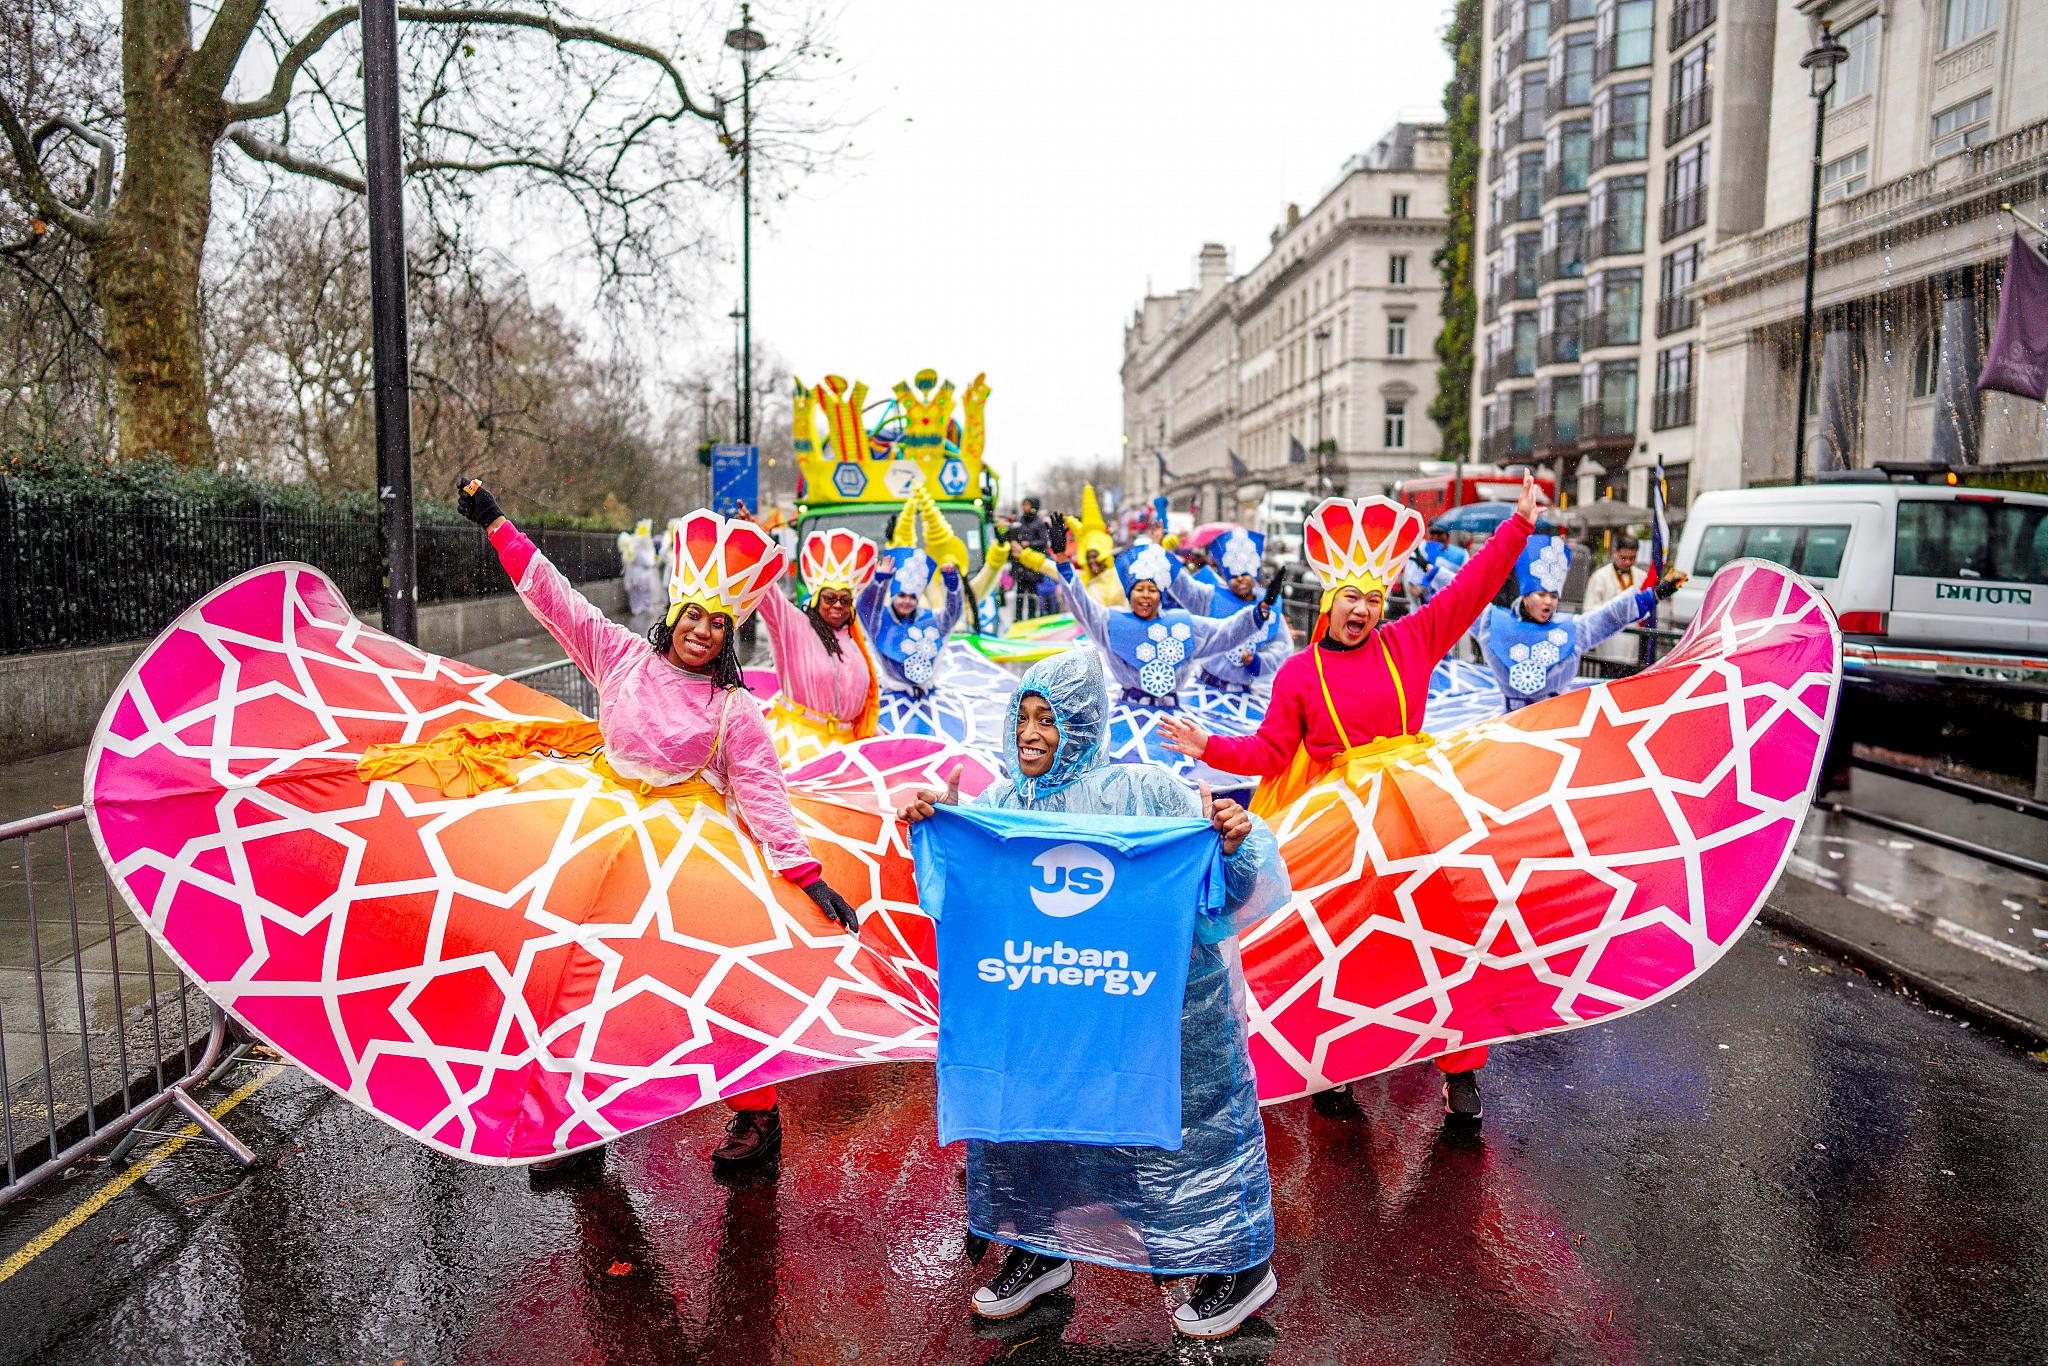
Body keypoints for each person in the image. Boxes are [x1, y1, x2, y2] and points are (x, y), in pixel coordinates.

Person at [456, 479, 861, 1168]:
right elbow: (554, 598)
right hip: (596, 836)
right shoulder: (619, 656)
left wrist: (807, 876)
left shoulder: (734, 708)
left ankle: (758, 1119)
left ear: (730, 635)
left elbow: (763, 793)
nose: (703, 630)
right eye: (694, 615)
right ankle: (577, 1123)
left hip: (680, 859)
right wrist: (497, 524)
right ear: (675, 613)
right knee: (575, 980)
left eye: (718, 623)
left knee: (709, 985)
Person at [897, 647, 1292, 1340]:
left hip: (1163, 1010)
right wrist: (946, 832)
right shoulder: (1001, 805)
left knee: (1190, 1130)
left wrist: (1233, 846)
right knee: (1031, 1118)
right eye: (1022, 716)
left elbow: (1226, 893)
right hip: (1054, 1006)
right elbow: (965, 901)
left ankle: (1238, 1264)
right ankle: (1036, 1245)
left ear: (1081, 725)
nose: (1030, 734)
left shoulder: (1148, 793)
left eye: (1049, 719)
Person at [1157, 478, 1542, 1120]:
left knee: (1442, 937)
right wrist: (1209, 747)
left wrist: (1520, 525)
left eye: (1373, 598)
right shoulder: (1300, 673)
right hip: (1344, 828)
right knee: (1344, 939)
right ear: (1330, 601)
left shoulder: (1412, 640)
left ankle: (1461, 1067)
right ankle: (1335, 1062)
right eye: (1351, 598)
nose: (1362, 609)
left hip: (1415, 818)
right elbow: (1271, 753)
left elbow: (1473, 589)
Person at [1477, 535, 1684, 711]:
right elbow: (1465, 599)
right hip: (1508, 725)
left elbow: (1609, 616)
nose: (1548, 601)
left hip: (1553, 725)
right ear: (1525, 597)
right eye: (1541, 595)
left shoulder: (1572, 629)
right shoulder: (1493, 624)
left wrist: (1655, 594)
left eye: (1553, 596)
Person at [754, 521, 882, 766]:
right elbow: (768, 594)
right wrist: (758, 542)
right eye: (830, 598)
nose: (837, 605)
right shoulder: (795, 625)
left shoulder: (853, 640)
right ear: (816, 599)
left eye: (845, 600)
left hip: (845, 748)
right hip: (795, 744)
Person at [1169, 528, 1294, 697]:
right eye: (1234, 576)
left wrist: (1257, 662)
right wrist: (1163, 554)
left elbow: (1283, 647)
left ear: (1254, 574)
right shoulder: (1210, 597)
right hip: (1204, 688)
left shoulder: (1268, 605)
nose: (1240, 579)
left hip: (1245, 695)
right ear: (1226, 578)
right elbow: (1184, 587)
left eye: (1245, 574)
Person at [1582, 535, 1647, 666]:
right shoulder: (1600, 577)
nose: (1628, 562)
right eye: (1624, 558)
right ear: (1615, 552)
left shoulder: (1642, 577)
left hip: (1634, 643)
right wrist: (1613, 613)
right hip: (1609, 641)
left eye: (1632, 558)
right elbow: (1589, 610)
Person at [1009, 498, 1054, 621]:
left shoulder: (1039, 523)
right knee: (1020, 593)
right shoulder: (1021, 521)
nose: (1025, 507)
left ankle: (1031, 618)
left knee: (1032, 594)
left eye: (1028, 505)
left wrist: (1029, 543)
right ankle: (1018, 618)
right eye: (1024, 505)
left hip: (1033, 564)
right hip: (1020, 564)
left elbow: (1044, 542)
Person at [616, 518, 661, 618]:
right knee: (644, 592)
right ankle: (642, 608)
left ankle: (637, 608)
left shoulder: (634, 548)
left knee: (636, 593)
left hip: (634, 575)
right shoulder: (640, 550)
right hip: (642, 575)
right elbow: (648, 562)